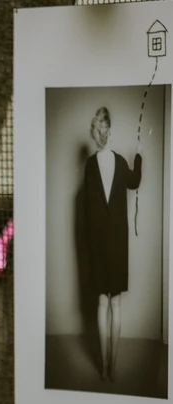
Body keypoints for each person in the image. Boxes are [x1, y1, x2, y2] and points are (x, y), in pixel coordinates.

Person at [83, 106, 142, 381]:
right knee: (115, 305)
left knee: (100, 304)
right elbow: (135, 181)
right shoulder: (120, 163)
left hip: (97, 244)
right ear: (110, 132)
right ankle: (113, 368)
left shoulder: (90, 165)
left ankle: (104, 365)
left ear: (95, 133)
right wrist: (138, 158)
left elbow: (86, 210)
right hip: (118, 244)